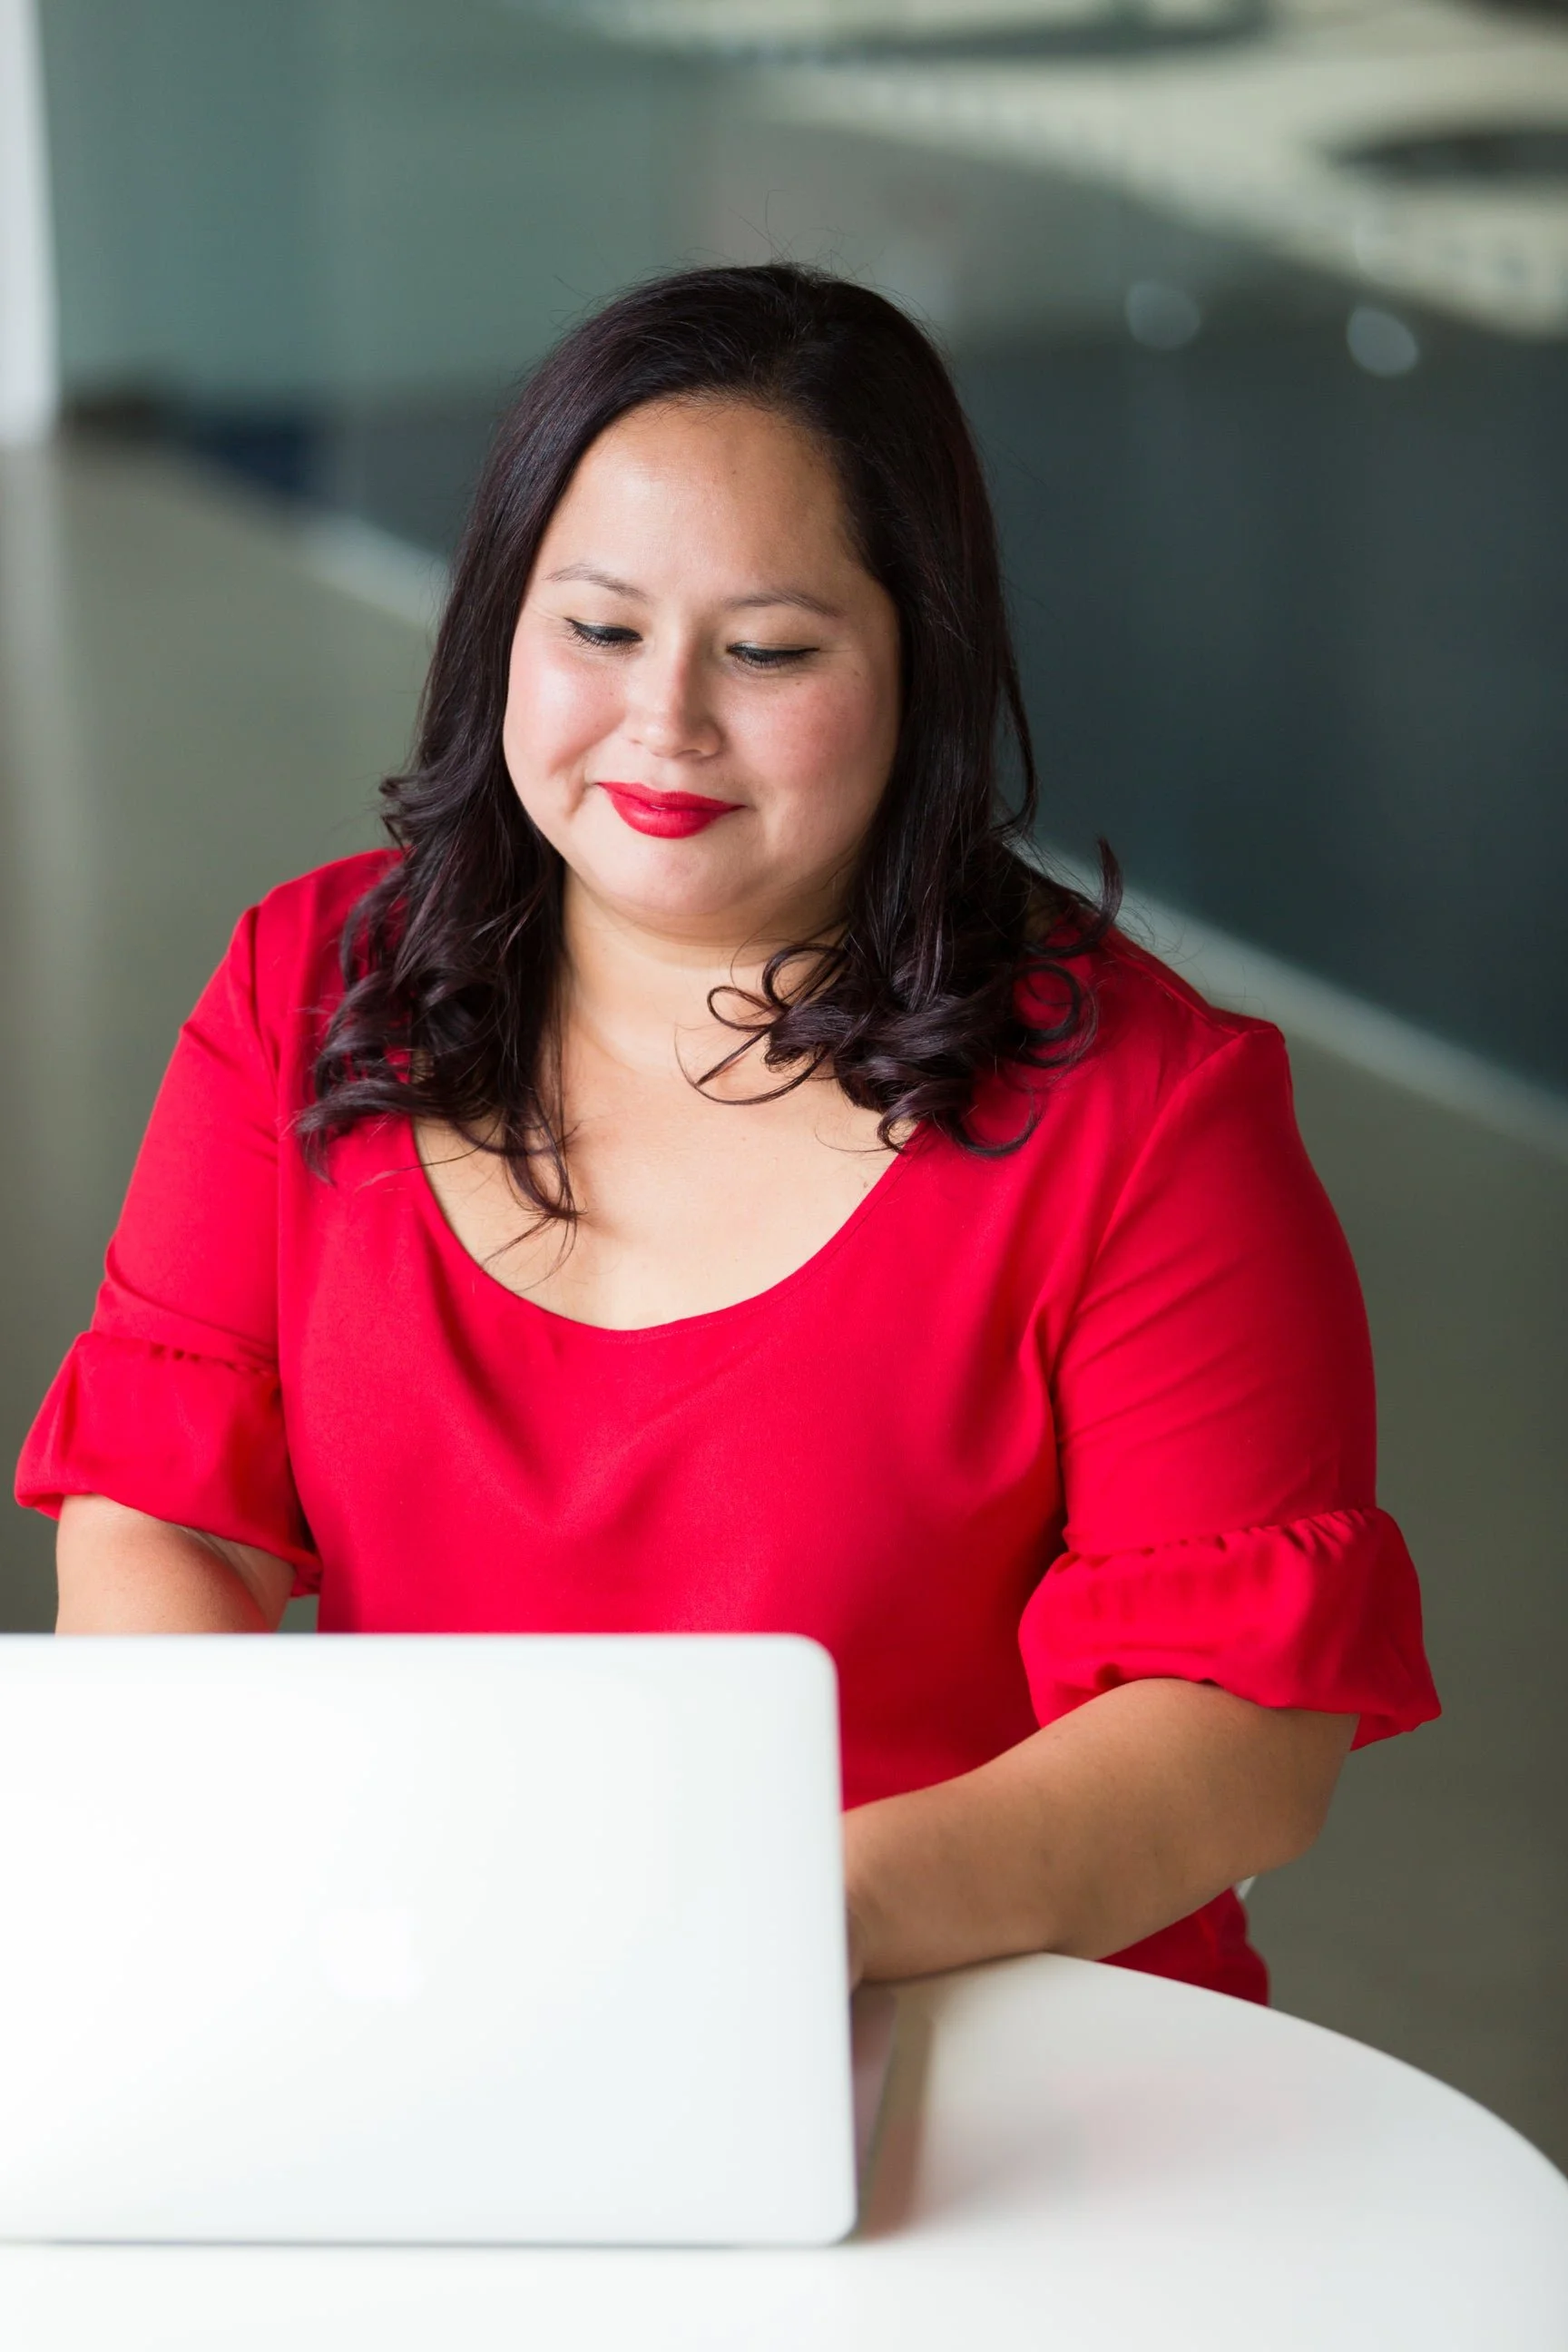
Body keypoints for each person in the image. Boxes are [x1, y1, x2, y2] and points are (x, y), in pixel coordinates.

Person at [15, 263, 1437, 2001]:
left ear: (924, 665)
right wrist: (253, 1865)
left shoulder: (1153, 1118)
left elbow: (1235, 1736)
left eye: (767, 650)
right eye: (599, 628)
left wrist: (766, 1933)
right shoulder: (307, 988)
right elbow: (164, 1513)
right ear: (501, 631)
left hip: (976, 2024)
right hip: (445, 1997)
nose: (665, 720)